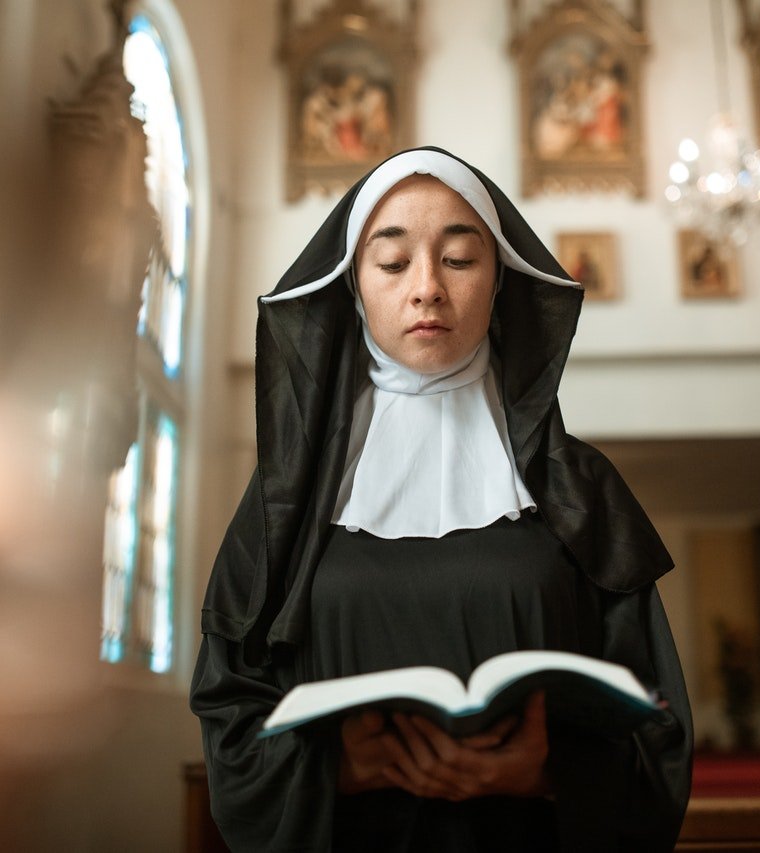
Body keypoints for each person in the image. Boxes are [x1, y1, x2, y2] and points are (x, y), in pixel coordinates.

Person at [190, 147, 692, 852]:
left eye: (459, 260)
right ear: (354, 284)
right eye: (392, 264)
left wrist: (549, 772)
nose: (426, 288)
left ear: (501, 280)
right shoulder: (285, 498)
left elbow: (659, 727)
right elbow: (228, 717)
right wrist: (335, 767)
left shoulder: (581, 486)